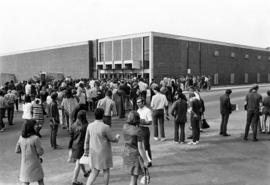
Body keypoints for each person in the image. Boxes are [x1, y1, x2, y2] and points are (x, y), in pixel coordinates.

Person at [84, 108, 120, 185]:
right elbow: (112, 139)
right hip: (104, 152)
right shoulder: (105, 127)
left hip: (93, 152)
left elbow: (86, 140)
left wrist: (86, 151)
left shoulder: (90, 126)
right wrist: (117, 137)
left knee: (94, 171)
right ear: (103, 116)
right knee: (106, 170)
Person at [122, 111, 149, 185]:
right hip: (134, 154)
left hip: (126, 153)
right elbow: (140, 147)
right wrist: (145, 160)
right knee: (134, 178)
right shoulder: (138, 131)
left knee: (133, 176)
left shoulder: (125, 127)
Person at [15, 120, 45, 185]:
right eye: (35, 125)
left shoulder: (21, 137)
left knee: (26, 181)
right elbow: (40, 152)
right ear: (31, 127)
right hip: (35, 163)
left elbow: (17, 150)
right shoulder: (35, 138)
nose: (37, 127)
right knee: (40, 180)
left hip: (25, 164)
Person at [68, 110, 90, 185]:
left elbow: (71, 137)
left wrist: (70, 147)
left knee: (80, 160)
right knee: (78, 162)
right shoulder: (86, 125)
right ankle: (74, 180)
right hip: (81, 146)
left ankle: (85, 172)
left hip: (75, 145)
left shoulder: (73, 125)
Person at [137, 97, 153, 167]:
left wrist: (142, 122)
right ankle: (142, 161)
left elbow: (150, 122)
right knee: (139, 146)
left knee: (146, 146)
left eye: (139, 102)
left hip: (144, 129)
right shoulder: (138, 110)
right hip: (138, 129)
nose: (138, 104)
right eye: (137, 102)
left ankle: (149, 161)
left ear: (143, 102)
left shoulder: (147, 111)